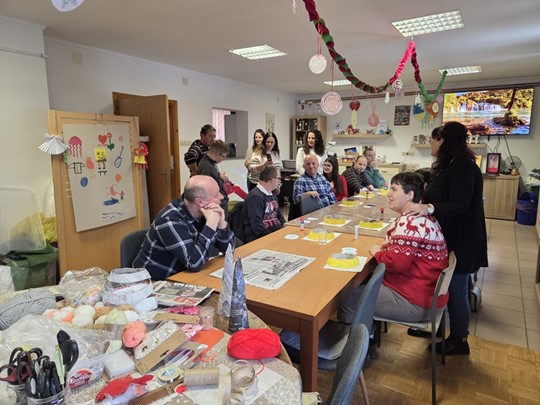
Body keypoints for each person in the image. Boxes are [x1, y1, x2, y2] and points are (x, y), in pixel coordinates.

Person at [404, 122, 488, 355]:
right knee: (445, 287)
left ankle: (459, 340)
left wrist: (429, 208)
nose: (430, 143)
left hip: (462, 240)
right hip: (450, 236)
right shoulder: (450, 166)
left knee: (457, 290)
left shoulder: (463, 166)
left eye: (433, 139)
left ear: (443, 141)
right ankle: (436, 327)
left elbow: (460, 204)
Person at [338, 172, 449, 324]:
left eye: (394, 189)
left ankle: (360, 339)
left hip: (416, 302)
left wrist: (378, 253)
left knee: (347, 300)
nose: (388, 194)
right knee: (364, 283)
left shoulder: (409, 222)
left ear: (410, 195)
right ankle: (368, 332)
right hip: (427, 296)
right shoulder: (424, 217)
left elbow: (396, 264)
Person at [133, 175, 234, 280]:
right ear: (199, 202)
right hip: (153, 281)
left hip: (184, 275)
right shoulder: (169, 220)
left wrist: (222, 224)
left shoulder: (206, 212)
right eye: (216, 195)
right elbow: (194, 263)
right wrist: (211, 224)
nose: (221, 197)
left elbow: (229, 250)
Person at [242, 166, 285, 243]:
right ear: (271, 179)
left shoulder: (272, 194)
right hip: (260, 238)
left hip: (275, 233)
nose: (279, 182)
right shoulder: (255, 197)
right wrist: (273, 238)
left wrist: (285, 227)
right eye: (278, 178)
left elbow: (279, 216)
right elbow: (256, 226)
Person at [197, 140, 230, 217]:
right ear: (216, 153)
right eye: (223, 156)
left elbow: (213, 179)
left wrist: (219, 176)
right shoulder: (206, 167)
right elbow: (209, 189)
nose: (223, 159)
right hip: (215, 203)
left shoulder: (210, 162)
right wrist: (222, 179)